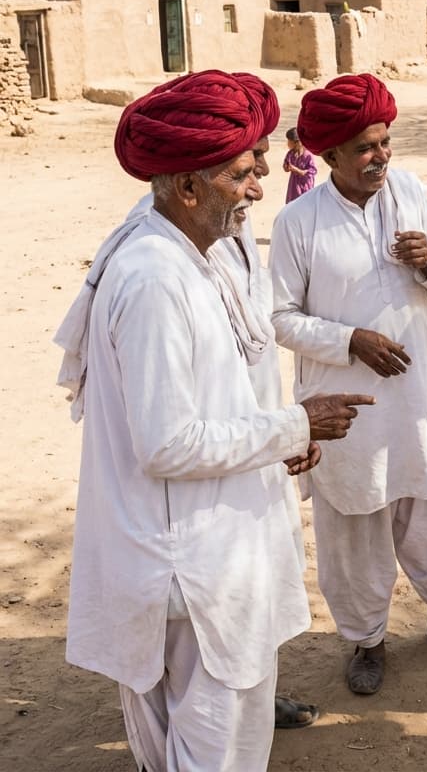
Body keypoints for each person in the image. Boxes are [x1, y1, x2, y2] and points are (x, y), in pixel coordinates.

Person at [61, 71, 373, 771]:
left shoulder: (195, 246)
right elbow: (168, 442)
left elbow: (228, 375)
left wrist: (277, 434)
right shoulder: (153, 280)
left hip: (204, 545)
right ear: (188, 187)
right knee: (215, 744)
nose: (261, 183)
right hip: (189, 567)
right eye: (241, 172)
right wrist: (294, 425)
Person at [270, 73, 427, 698]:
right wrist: (351, 341)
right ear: (331, 156)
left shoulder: (413, 194)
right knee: (355, 522)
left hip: (418, 394)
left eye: (385, 141)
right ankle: (366, 639)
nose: (382, 156)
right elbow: (279, 318)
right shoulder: (298, 222)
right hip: (347, 408)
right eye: (367, 147)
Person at [283, 127, 317, 203]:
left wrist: (296, 170)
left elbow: (312, 172)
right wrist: (286, 167)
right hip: (293, 187)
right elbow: (285, 166)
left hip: (305, 187)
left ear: (296, 142)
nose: (287, 144)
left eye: (289, 141)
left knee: (304, 205)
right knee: (293, 204)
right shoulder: (291, 153)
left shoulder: (308, 155)